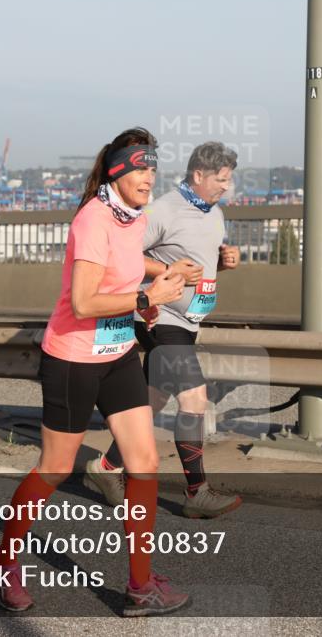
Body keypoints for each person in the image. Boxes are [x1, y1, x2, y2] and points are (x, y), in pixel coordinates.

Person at [0, 127, 190, 617]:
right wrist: (148, 297)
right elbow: (83, 302)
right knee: (55, 468)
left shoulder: (131, 219)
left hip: (117, 354)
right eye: (141, 167)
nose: (150, 176)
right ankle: (5, 558)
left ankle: (140, 586)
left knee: (144, 463)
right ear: (118, 170)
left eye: (153, 167)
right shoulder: (93, 219)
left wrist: (162, 274)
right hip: (74, 360)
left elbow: (125, 262)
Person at [85, 141, 243, 519]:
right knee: (194, 400)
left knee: (149, 405)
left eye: (229, 180)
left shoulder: (214, 213)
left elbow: (193, 267)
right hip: (160, 320)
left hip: (187, 324)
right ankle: (196, 492)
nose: (226, 187)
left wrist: (222, 264)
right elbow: (123, 259)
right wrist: (164, 274)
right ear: (198, 175)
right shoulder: (163, 210)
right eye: (221, 180)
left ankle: (105, 469)